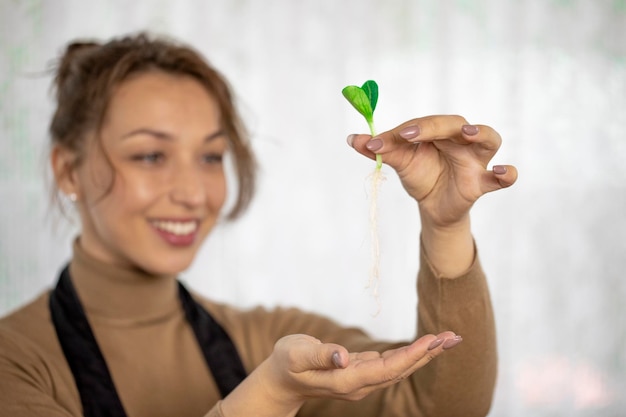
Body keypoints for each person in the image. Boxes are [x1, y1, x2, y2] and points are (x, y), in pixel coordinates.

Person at [0, 32, 517, 417]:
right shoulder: (15, 361)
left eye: (210, 157)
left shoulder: (260, 339)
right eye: (151, 156)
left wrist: (445, 225)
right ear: (68, 170)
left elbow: (437, 407)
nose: (193, 193)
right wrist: (268, 395)